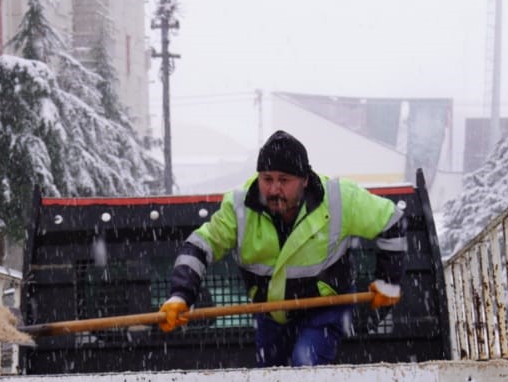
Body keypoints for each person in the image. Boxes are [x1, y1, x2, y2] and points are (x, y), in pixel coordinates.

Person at [158, 130, 406, 367]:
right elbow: (199, 245)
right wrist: (181, 295)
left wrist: (388, 281)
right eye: (267, 179)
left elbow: (392, 221)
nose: (274, 189)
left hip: (326, 312)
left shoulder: (340, 199)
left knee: (304, 365)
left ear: (305, 180)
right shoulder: (238, 208)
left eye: (284, 180)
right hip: (269, 315)